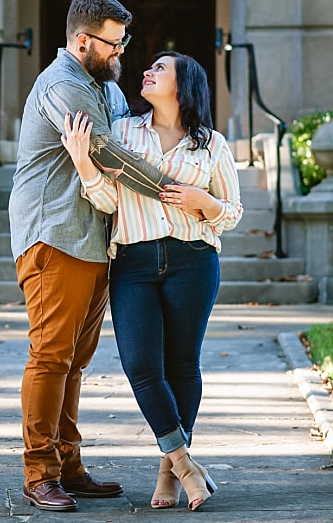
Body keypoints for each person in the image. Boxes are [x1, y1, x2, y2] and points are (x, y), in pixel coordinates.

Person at [9, 0, 171, 512]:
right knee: (51, 355)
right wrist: (180, 195)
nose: (122, 54)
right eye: (115, 45)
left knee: (74, 362)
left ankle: (68, 467)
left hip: (95, 240)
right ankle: (39, 474)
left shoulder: (102, 85)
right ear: (84, 41)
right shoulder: (62, 85)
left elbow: (130, 134)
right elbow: (108, 155)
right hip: (56, 237)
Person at [61, 51, 243, 511]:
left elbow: (233, 214)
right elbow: (106, 201)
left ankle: (168, 475)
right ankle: (183, 463)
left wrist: (206, 201)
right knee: (141, 364)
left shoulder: (212, 146)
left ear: (184, 87)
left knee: (182, 365)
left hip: (194, 261)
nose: (148, 71)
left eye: (161, 69)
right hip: (134, 262)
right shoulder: (124, 132)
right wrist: (84, 163)